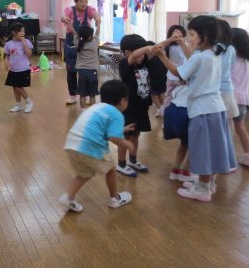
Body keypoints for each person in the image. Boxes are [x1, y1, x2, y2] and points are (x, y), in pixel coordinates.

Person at [153, 16, 237, 202]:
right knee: (213, 148)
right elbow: (193, 62)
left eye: (191, 34)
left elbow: (178, 73)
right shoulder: (214, 53)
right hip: (216, 108)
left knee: (203, 150)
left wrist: (161, 56)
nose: (189, 38)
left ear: (204, 37)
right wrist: (182, 44)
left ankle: (202, 190)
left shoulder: (200, 57)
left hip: (203, 110)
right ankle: (207, 184)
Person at [58, 80, 135, 212]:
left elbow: (101, 130)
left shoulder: (96, 107)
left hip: (72, 144)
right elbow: (113, 138)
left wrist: (121, 130)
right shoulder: (117, 114)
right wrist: (128, 144)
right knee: (111, 167)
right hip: (89, 146)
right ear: (123, 101)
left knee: (85, 172)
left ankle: (68, 197)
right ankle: (115, 199)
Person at [116, 34, 170, 177]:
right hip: (128, 108)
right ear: (127, 52)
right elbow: (135, 55)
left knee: (136, 135)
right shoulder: (125, 64)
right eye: (140, 52)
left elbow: (156, 49)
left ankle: (133, 160)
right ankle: (121, 163)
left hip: (142, 106)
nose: (143, 56)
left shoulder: (143, 62)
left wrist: (171, 40)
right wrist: (146, 47)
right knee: (126, 137)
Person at [61, 0, 101, 105]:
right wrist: (65, 19)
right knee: (71, 71)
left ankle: (86, 95)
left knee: (86, 71)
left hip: (86, 42)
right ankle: (73, 96)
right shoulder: (69, 10)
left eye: (86, 1)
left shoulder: (90, 10)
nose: (84, 4)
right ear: (76, 1)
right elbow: (63, 16)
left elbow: (96, 15)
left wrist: (97, 19)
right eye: (81, 1)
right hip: (71, 43)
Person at [230, 28, 249, 168]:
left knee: (226, 130)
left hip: (230, 98)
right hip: (242, 98)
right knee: (240, 128)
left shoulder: (230, 58)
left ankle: (227, 160)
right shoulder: (245, 60)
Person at [163, 83, 197, 182]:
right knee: (195, 145)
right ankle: (186, 172)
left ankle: (175, 171)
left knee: (184, 144)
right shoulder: (199, 86)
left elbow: (173, 95)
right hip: (185, 114)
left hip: (171, 111)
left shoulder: (182, 86)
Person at [63, 19, 101, 109]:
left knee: (82, 95)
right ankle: (92, 112)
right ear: (90, 37)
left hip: (82, 72)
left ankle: (83, 111)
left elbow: (74, 33)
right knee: (92, 95)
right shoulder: (94, 43)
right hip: (93, 72)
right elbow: (98, 32)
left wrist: (70, 25)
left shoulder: (77, 43)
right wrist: (98, 23)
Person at [4, 22, 34, 113]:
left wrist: (24, 44)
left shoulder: (27, 42)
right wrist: (6, 62)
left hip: (23, 69)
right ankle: (19, 105)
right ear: (14, 32)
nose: (23, 33)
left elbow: (29, 54)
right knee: (14, 87)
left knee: (18, 87)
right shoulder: (8, 43)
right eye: (20, 31)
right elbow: (7, 55)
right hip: (13, 69)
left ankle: (29, 102)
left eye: (23, 31)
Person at [160, 25, 189, 114]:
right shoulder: (182, 47)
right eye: (175, 35)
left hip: (176, 76)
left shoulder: (171, 47)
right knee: (176, 98)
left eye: (180, 35)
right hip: (178, 76)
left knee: (169, 98)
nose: (178, 37)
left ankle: (166, 114)